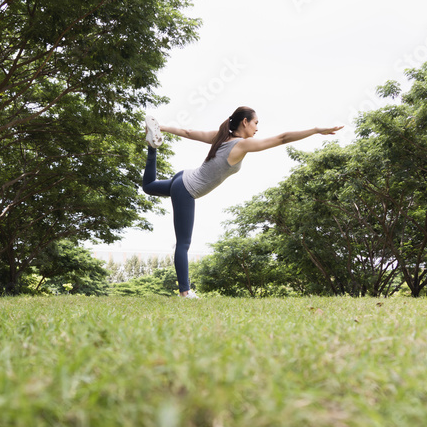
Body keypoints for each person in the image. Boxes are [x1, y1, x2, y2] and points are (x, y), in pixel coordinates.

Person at [141, 107, 343, 298]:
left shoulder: (220, 137)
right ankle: (185, 293)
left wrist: (161, 128)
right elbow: (282, 138)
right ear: (245, 122)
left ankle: (152, 146)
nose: (257, 128)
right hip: (186, 189)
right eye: (255, 122)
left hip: (182, 178)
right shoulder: (241, 144)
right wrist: (316, 130)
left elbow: (187, 131)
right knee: (183, 243)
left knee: (149, 186)